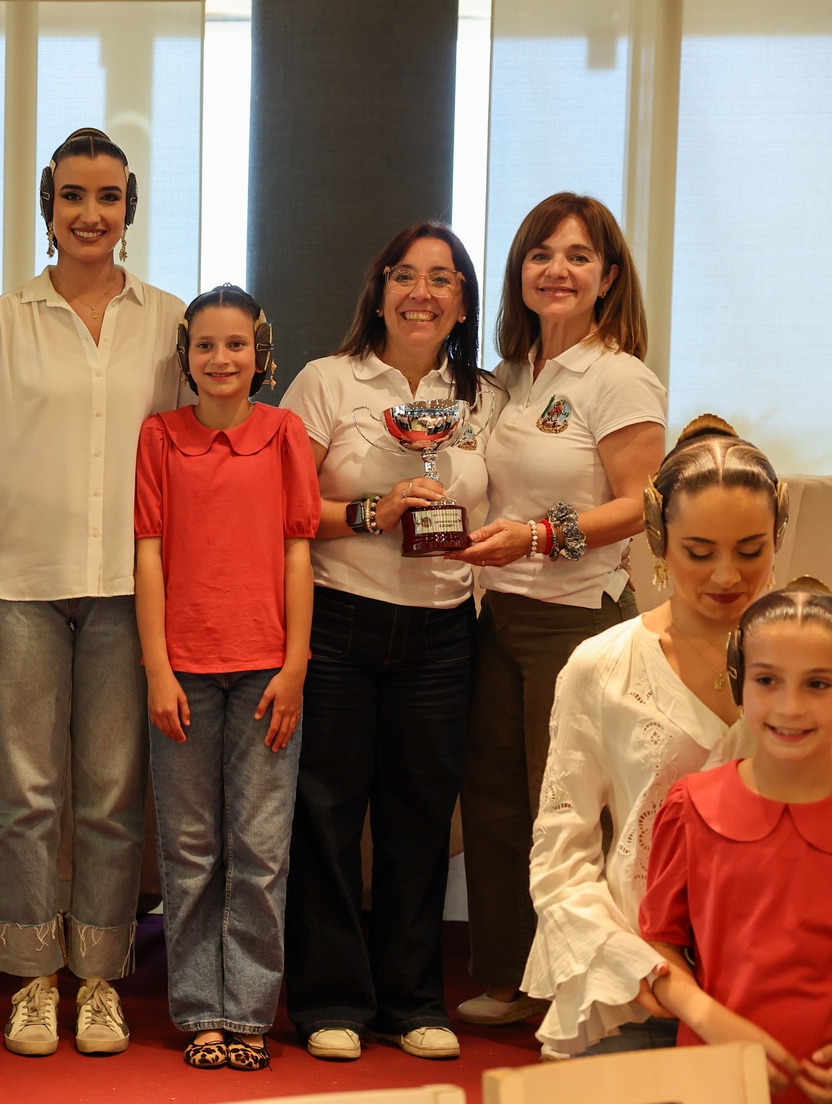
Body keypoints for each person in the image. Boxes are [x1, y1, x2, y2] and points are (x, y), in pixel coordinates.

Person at [0, 126, 184, 1058]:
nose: (91, 213)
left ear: (130, 208)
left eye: (108, 196)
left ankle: (102, 979)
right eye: (73, 196)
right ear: (48, 207)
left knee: (113, 797)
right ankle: (33, 978)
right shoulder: (5, 320)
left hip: (130, 591)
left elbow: (185, 463)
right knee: (29, 795)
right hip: (19, 585)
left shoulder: (169, 322)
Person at [279, 222, 500, 1062]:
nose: (422, 292)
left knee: (419, 820)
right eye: (404, 276)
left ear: (463, 303)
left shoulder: (486, 398)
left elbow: (508, 501)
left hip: (443, 634)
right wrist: (375, 512)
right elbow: (282, 508)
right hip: (340, 619)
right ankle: (330, 998)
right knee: (326, 815)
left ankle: (412, 1001)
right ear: (378, 293)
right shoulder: (327, 382)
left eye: (442, 279)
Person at [450, 192, 667, 1025]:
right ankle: (511, 976)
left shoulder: (618, 375)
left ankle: (592, 990)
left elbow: (643, 504)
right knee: (497, 804)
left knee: (575, 809)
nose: (557, 270)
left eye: (578, 256)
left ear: (607, 277)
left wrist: (538, 536)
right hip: (499, 616)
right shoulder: (513, 375)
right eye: (541, 254)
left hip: (580, 622)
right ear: (520, 273)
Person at [524, 418, 785, 1058]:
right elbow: (561, 858)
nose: (726, 576)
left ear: (778, 534)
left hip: (783, 980)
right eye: (700, 552)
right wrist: (642, 968)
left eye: (750, 550)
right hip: (636, 982)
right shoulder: (602, 666)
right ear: (659, 538)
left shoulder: (814, 663)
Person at [135, 285, 317, 1073]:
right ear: (186, 356)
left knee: (260, 850)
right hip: (183, 672)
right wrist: (156, 667)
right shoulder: (159, 437)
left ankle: (247, 1010)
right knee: (189, 848)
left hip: (265, 673)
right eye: (205, 345)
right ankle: (198, 1010)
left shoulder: (284, 433)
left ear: (260, 353)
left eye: (236, 344)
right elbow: (147, 553)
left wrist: (296, 664)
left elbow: (299, 549)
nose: (221, 359)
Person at [639, 580, 832, 1104]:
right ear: (738, 681)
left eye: (818, 684)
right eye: (768, 680)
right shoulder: (693, 806)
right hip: (714, 1079)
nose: (790, 707)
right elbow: (658, 944)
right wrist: (708, 1018)